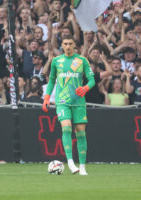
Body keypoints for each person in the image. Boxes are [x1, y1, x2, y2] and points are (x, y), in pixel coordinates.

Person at [42, 35, 95, 175]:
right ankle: (71, 163)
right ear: (62, 45)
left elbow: (92, 80)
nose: (67, 46)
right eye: (65, 44)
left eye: (70, 44)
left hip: (78, 102)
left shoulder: (82, 61)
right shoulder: (56, 61)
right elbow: (52, 79)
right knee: (66, 128)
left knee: (81, 133)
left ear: (74, 45)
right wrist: (47, 98)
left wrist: (85, 88)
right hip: (62, 102)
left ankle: (82, 167)